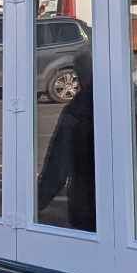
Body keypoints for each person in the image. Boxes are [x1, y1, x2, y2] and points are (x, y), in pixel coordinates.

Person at [35, 52, 96, 230]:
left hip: (86, 201)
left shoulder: (77, 110)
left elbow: (58, 164)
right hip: (124, 200)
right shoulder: (123, 101)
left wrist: (36, 203)